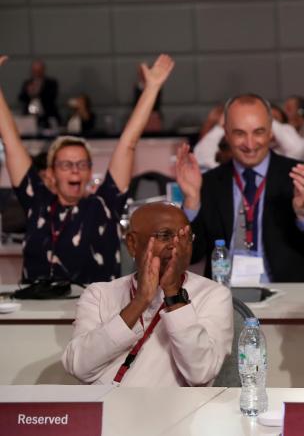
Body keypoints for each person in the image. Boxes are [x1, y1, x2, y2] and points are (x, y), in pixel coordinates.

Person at [0, 54, 174, 284]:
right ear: (51, 174)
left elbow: (128, 143)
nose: (75, 170)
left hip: (93, 313)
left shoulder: (103, 205)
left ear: (90, 173)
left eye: (82, 164)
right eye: (66, 165)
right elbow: (11, 142)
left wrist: (151, 89)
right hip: (37, 311)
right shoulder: (37, 202)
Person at [62, 202, 233, 386]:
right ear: (132, 244)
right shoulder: (99, 294)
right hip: (106, 409)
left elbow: (201, 374)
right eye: (165, 235)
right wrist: (140, 301)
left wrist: (173, 293)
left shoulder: (214, 295)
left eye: (185, 236)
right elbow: (79, 367)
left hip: (174, 411)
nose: (176, 245)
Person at [176, 93, 304, 282]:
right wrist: (191, 201)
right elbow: (191, 255)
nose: (250, 144)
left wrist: (303, 210)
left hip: (293, 300)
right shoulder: (209, 183)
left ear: (270, 132)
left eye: (258, 132)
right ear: (226, 134)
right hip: (228, 299)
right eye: (240, 133)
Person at [18, 59, 60, 127]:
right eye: (34, 70)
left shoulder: (51, 83)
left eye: (39, 70)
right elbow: (21, 98)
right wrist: (29, 93)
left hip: (47, 116)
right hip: (30, 116)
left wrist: (38, 92)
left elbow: (52, 97)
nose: (36, 72)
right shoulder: (27, 83)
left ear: (43, 70)